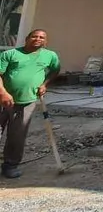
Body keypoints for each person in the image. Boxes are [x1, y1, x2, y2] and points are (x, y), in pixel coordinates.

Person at [0, 29, 60, 179]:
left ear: (45, 41)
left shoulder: (50, 56)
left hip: (26, 102)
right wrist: (3, 92)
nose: (38, 39)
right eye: (35, 36)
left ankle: (10, 165)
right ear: (27, 38)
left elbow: (55, 70)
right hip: (3, 100)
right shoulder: (10, 54)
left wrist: (45, 84)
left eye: (42, 37)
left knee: (17, 136)